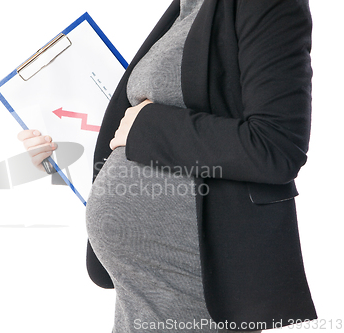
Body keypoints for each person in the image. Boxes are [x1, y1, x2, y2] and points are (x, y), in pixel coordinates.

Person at [18, 0, 317, 331]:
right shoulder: (185, 9)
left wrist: (146, 126)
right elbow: (146, 132)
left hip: (197, 292)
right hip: (142, 300)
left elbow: (275, 147)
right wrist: (65, 152)